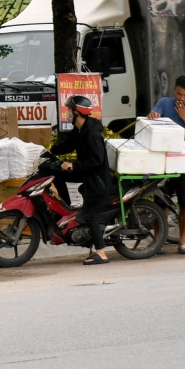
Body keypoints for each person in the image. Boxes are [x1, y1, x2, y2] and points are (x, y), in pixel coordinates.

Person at [52, 95, 115, 265]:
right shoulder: (80, 129)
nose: (67, 113)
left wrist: (73, 165)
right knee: (59, 175)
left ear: (77, 111)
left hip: (96, 179)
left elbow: (96, 161)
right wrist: (48, 151)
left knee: (89, 213)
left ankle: (101, 253)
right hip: (87, 174)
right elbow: (67, 145)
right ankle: (67, 210)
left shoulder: (92, 134)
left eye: (69, 110)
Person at [148, 75, 185, 254]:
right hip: (165, 162)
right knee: (161, 202)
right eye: (179, 94)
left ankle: (183, 242)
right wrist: (153, 116)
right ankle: (159, 241)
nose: (181, 98)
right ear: (174, 90)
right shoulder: (165, 103)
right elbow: (152, 121)